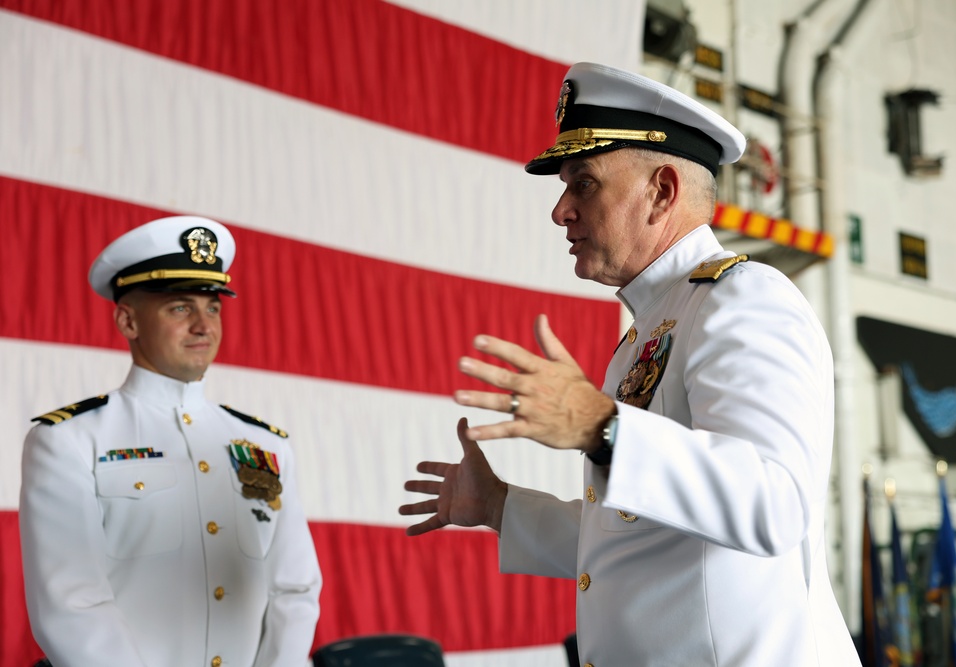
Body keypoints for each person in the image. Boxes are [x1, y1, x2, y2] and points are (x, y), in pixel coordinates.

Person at [400, 62, 860, 666]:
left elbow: (773, 505)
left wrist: (602, 428)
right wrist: (499, 507)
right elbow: (640, 536)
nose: (561, 211)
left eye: (583, 182)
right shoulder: (648, 331)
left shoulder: (742, 297)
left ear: (662, 192)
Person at [19, 216, 322, 667]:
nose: (204, 325)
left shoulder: (266, 446)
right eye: (181, 307)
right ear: (128, 320)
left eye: (213, 307)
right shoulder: (69, 439)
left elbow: (294, 589)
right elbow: (72, 603)